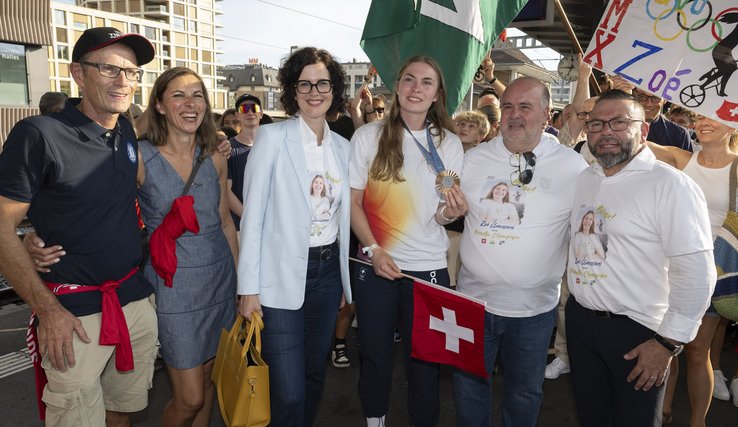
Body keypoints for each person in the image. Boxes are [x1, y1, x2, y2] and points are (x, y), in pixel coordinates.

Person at [0, 27, 158, 426]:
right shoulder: (39, 134)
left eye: (132, 72)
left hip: (134, 299)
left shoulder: (123, 129)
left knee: (122, 410)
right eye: (108, 69)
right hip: (74, 314)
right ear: (77, 73)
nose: (123, 81)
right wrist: (47, 311)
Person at [566, 90, 715, 427]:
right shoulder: (585, 179)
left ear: (643, 130)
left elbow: (696, 273)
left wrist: (666, 344)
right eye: (597, 124)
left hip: (638, 333)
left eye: (619, 122)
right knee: (591, 419)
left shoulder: (671, 185)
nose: (606, 132)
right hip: (581, 323)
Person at [454, 76, 588, 427]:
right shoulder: (474, 159)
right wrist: (444, 212)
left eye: (525, 107)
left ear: (546, 115)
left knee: (524, 392)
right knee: (469, 385)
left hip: (533, 312)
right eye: (508, 106)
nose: (514, 115)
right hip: (472, 304)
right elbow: (442, 212)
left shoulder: (573, 168)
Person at [236, 47, 353, 427]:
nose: (314, 91)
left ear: (334, 88)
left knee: (315, 375)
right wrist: (248, 289)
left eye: (322, 82)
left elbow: (342, 218)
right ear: (292, 90)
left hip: (326, 273)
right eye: (305, 83)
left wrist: (340, 281)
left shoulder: (343, 147)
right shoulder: (271, 138)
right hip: (278, 278)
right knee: (287, 390)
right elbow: (251, 218)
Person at [350, 55, 465, 427]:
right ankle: (375, 420)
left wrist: (451, 213)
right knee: (376, 355)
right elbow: (352, 203)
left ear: (437, 95)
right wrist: (374, 249)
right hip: (376, 263)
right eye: (410, 80)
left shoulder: (449, 143)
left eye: (426, 82)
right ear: (397, 87)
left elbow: (441, 214)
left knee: (426, 362)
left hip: (429, 268)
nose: (417, 88)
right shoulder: (368, 136)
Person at [136, 67, 238, 426]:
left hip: (220, 281)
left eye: (197, 95)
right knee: (190, 397)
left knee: (210, 382)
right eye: (178, 95)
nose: (190, 103)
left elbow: (226, 222)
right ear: (160, 105)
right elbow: (101, 208)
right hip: (173, 286)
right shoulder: (140, 157)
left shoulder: (215, 156)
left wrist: (243, 285)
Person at [647, 114, 738, 426]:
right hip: (673, 267)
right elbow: (634, 138)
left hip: (717, 271)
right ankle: (664, 410)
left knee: (698, 351)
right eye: (700, 116)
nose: (703, 121)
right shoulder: (680, 158)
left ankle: (697, 422)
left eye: (713, 116)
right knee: (667, 343)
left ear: (733, 126)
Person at [227, 93, 263, 232]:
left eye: (253, 108)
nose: (249, 112)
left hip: (270, 225)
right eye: (244, 109)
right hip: (240, 226)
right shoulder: (228, 148)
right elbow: (226, 191)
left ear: (260, 113)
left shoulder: (273, 147)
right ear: (237, 115)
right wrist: (250, 218)